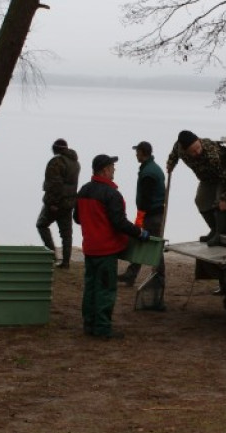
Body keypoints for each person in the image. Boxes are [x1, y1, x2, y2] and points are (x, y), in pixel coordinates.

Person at [75, 154, 149, 339]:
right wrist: (139, 233)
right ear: (105, 170)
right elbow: (119, 222)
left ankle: (89, 324)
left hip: (90, 248)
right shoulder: (111, 194)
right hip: (106, 249)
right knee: (105, 289)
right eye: (112, 167)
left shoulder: (83, 190)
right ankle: (102, 328)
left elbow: (77, 218)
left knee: (91, 287)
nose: (114, 169)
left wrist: (93, 222)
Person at [165, 130, 226, 246]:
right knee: (201, 201)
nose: (198, 152)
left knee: (221, 203)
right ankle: (214, 229)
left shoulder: (213, 154)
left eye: (198, 148)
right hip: (206, 179)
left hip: (223, 177)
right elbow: (174, 152)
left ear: (199, 140)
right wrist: (171, 163)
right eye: (193, 151)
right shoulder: (179, 147)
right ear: (184, 150)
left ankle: (220, 235)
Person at [118, 141, 166, 304]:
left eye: (137, 152)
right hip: (153, 213)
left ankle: (158, 279)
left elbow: (146, 198)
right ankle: (131, 274)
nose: (136, 155)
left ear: (143, 152)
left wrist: (140, 217)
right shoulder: (151, 168)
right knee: (141, 242)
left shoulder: (149, 172)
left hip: (151, 215)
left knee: (154, 248)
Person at [36, 138, 81, 269]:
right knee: (66, 234)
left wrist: (53, 203)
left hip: (56, 203)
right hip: (69, 203)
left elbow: (54, 184)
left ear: (56, 149)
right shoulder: (75, 163)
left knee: (41, 224)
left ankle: (51, 255)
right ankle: (66, 262)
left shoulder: (57, 162)